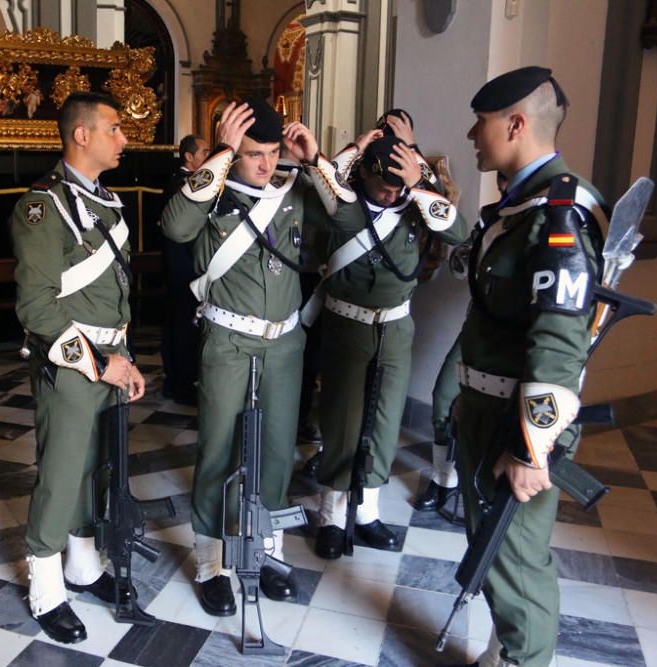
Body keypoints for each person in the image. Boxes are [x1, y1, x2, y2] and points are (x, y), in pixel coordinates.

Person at [161, 97, 350, 615]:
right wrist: (219, 156)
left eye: (271, 152)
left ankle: (268, 553)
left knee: (274, 453)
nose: (266, 164)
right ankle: (213, 563)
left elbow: (349, 215)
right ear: (231, 153)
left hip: (285, 345)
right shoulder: (211, 194)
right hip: (228, 341)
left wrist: (315, 161)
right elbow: (176, 227)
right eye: (252, 154)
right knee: (218, 454)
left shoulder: (293, 192)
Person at [453, 67, 606, 667]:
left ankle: (523, 659)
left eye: (482, 122)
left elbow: (559, 347)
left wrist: (530, 448)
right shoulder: (519, 206)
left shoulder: (558, 215)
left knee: (516, 564)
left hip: (521, 422)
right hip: (488, 409)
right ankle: (502, 654)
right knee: (494, 555)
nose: (471, 133)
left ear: (516, 124)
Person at [10, 91, 147, 644]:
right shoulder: (42, 205)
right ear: (81, 135)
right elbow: (36, 308)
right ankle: (45, 588)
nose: (124, 138)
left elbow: (115, 291)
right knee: (63, 471)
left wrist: (124, 358)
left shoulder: (104, 200)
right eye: (114, 128)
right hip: (70, 363)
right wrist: (100, 363)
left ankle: (83, 566)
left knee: (96, 468)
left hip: (110, 357)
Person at [304, 122, 468, 557]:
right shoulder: (343, 205)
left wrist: (418, 183)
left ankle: (367, 514)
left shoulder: (414, 205)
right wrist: (356, 148)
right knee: (343, 422)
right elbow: (322, 175)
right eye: (383, 186)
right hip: (348, 327)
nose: (390, 194)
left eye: (398, 186)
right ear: (365, 176)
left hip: (395, 329)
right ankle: (332, 517)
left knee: (384, 422)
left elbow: (458, 230)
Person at [415, 172, 507, 514]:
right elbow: (458, 266)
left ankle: (486, 488)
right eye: (502, 181)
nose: (505, 187)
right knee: (443, 398)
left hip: (516, 341)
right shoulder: (491, 219)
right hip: (476, 329)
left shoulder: (543, 222)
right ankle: (443, 480)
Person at [160, 134, 209, 405]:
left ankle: (178, 380)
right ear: (188, 157)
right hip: (183, 266)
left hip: (186, 265)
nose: (207, 157)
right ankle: (181, 383)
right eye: (204, 152)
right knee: (183, 325)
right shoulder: (180, 184)